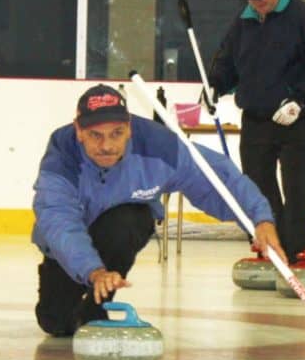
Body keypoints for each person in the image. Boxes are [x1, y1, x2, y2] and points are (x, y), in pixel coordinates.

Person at [31, 84, 285, 336]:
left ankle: (96, 307)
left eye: (117, 133)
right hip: (70, 248)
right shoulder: (62, 154)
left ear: (129, 127)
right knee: (57, 323)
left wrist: (259, 219)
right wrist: (92, 270)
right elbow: (59, 222)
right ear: (79, 131)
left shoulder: (157, 145)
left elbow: (217, 177)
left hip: (118, 229)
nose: (107, 145)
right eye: (96, 135)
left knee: (129, 221)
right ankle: (84, 293)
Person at [208, 0, 305, 264]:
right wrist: (214, 85)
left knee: (295, 189)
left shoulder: (304, 19)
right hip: (255, 118)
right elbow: (227, 63)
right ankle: (270, 246)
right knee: (257, 186)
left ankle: (293, 252)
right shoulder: (243, 20)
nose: (257, 3)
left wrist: (301, 100)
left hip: (295, 118)